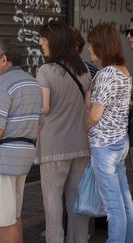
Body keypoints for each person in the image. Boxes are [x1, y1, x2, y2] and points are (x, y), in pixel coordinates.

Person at [0, 39, 42, 243]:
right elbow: (39, 123)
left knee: (4, 221)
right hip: (23, 156)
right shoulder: (32, 82)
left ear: (4, 60)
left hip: (2, 160)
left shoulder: (2, 84)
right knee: (14, 216)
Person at [35, 21, 92, 243]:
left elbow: (44, 108)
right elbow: (88, 109)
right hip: (80, 145)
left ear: (56, 41)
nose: (41, 43)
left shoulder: (45, 71)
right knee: (77, 202)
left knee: (52, 202)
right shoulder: (84, 70)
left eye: (44, 39)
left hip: (53, 146)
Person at [87, 23, 133, 243]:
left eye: (92, 44)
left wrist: (82, 128)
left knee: (114, 209)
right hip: (119, 143)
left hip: (105, 146)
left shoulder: (106, 74)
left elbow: (95, 115)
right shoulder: (124, 71)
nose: (88, 49)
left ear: (101, 46)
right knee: (124, 202)